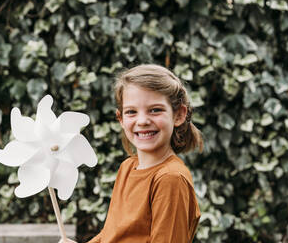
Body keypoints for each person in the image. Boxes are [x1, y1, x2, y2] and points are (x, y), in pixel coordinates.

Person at [61, 64, 203, 243]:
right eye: (131, 112)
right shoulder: (127, 167)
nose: (142, 121)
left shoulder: (170, 178)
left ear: (179, 115)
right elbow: (111, 235)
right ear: (120, 118)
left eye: (155, 110)